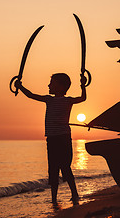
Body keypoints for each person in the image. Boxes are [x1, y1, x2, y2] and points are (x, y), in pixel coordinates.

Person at [14, 73, 87, 205]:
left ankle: (74, 194)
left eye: (52, 83)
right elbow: (31, 95)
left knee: (65, 167)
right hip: (52, 140)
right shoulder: (49, 100)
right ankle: (54, 199)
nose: (49, 85)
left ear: (61, 86)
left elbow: (83, 98)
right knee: (53, 169)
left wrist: (83, 85)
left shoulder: (67, 100)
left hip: (63, 139)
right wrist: (20, 87)